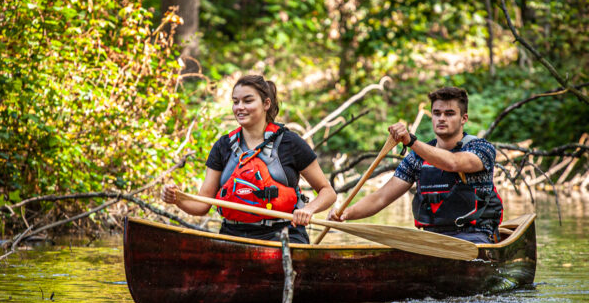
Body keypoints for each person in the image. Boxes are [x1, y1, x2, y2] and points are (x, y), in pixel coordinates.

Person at [161, 74, 337, 243]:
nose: (240, 107)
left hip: (283, 234)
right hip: (233, 235)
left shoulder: (290, 143)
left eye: (248, 101)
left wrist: (308, 209)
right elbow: (201, 205)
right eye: (235, 102)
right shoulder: (223, 146)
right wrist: (177, 199)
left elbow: (328, 192)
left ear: (266, 103)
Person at [329, 86, 503, 243]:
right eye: (436, 113)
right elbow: (381, 197)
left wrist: (411, 141)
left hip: (474, 235)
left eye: (449, 114)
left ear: (463, 118)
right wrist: (345, 214)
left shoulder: (482, 148)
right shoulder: (416, 158)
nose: (441, 118)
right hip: (431, 238)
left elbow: (453, 163)